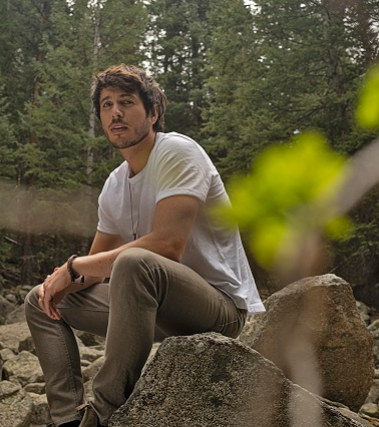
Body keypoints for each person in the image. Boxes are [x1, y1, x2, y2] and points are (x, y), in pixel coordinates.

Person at [25, 64, 265, 427]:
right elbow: (95, 268)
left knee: (135, 262)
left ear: (153, 113)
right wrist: (62, 281)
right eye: (106, 105)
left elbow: (167, 246)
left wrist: (73, 267)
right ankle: (69, 419)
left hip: (218, 310)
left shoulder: (178, 152)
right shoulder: (115, 185)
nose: (115, 113)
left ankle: (104, 413)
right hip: (152, 311)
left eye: (126, 102)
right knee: (40, 300)